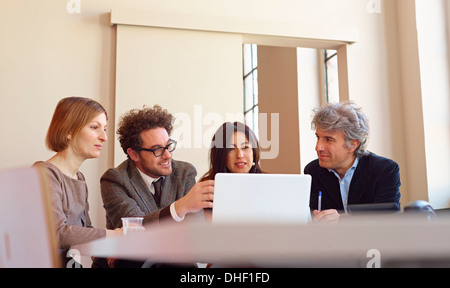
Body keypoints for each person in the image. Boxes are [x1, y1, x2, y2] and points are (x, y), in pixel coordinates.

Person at [97, 105, 214, 267]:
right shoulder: (115, 179)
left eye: (168, 146)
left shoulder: (184, 173)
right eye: (157, 150)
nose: (167, 155)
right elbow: (137, 233)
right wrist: (180, 208)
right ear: (134, 154)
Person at [33, 97, 122, 267]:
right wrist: (116, 234)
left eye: (104, 129)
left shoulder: (78, 178)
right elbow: (57, 234)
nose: (104, 137)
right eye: (94, 127)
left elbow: (85, 231)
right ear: (68, 131)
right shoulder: (43, 173)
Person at [304, 101, 401, 222]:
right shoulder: (313, 171)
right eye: (318, 137)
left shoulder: (384, 170)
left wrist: (342, 220)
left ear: (352, 145)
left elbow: (388, 219)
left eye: (329, 140)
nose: (318, 147)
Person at [200, 121, 264, 220]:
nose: (240, 155)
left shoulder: (267, 183)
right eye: (231, 148)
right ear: (221, 155)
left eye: (245, 147)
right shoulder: (208, 189)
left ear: (254, 152)